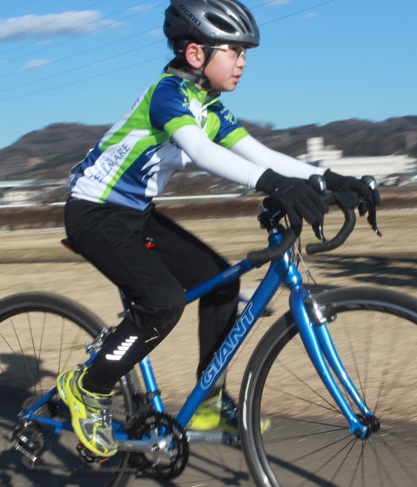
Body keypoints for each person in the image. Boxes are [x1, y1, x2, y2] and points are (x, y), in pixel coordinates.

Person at [56, 0, 378, 458]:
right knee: (163, 301)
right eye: (234, 51)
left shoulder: (209, 105)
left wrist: (327, 180)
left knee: (220, 282)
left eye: (246, 54)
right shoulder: (168, 94)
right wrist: (274, 187)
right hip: (93, 212)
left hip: (135, 214)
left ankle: (207, 403)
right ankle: (88, 387)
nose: (243, 62)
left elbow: (259, 153)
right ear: (195, 55)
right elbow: (203, 153)